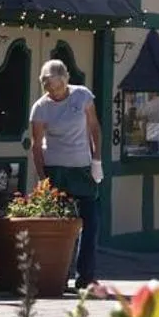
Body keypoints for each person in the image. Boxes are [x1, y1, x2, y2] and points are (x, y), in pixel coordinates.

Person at [29, 58, 103, 291]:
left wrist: (97, 161)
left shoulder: (82, 96)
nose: (55, 93)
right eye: (50, 88)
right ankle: (58, 274)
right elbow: (36, 144)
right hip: (56, 169)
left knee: (90, 221)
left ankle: (85, 276)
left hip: (82, 168)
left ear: (66, 81)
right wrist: (43, 179)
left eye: (58, 87)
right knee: (58, 225)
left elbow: (94, 128)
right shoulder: (41, 108)